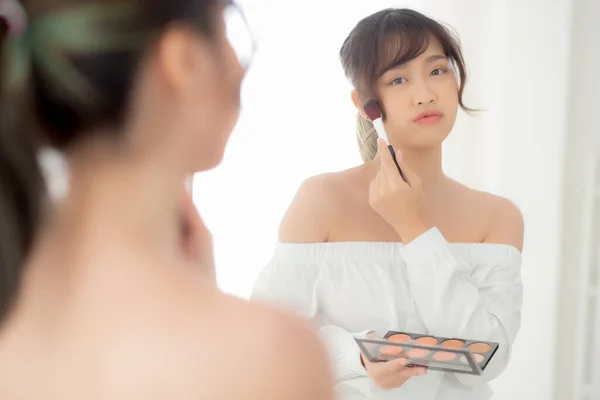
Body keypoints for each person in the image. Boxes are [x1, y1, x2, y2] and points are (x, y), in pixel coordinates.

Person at [0, 1, 334, 398]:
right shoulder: (270, 356)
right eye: (228, 28)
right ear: (184, 60)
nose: (239, 66)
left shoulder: (16, 310)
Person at [251, 7, 524, 400]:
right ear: (366, 105)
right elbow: (269, 338)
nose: (425, 93)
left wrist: (415, 231)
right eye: (398, 79)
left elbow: (487, 363)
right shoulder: (322, 200)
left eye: (437, 70)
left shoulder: (497, 217)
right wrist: (358, 357)